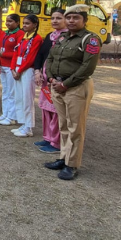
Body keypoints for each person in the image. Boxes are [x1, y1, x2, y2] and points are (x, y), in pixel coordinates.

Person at [44, 4, 101, 180]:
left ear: (85, 20)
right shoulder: (63, 38)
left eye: (76, 18)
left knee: (75, 128)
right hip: (57, 86)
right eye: (68, 17)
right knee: (63, 125)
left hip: (76, 87)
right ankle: (64, 157)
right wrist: (51, 79)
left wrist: (65, 84)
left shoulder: (91, 39)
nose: (71, 21)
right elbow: (50, 58)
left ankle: (72, 164)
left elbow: (87, 67)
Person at [34, 8, 67, 153]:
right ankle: (47, 137)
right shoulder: (50, 36)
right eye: (53, 18)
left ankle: (56, 142)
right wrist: (37, 71)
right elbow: (41, 54)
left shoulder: (68, 38)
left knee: (56, 111)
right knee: (46, 109)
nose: (55, 21)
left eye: (59, 18)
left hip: (57, 81)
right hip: (45, 79)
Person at [10, 14, 43, 137]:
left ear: (35, 25)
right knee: (19, 97)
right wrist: (13, 69)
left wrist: (19, 70)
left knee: (27, 98)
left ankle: (28, 127)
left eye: (27, 23)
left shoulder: (37, 39)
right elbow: (16, 53)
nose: (24, 25)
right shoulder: (22, 38)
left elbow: (31, 58)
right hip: (18, 69)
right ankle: (23, 123)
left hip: (27, 70)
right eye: (23, 23)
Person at [0, 14, 24, 126]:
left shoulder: (19, 34)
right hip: (2, 66)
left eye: (10, 21)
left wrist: (4, 54)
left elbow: (18, 52)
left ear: (17, 23)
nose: (7, 23)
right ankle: (5, 113)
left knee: (12, 92)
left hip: (11, 67)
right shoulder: (4, 33)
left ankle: (11, 117)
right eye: (7, 21)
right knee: (5, 91)